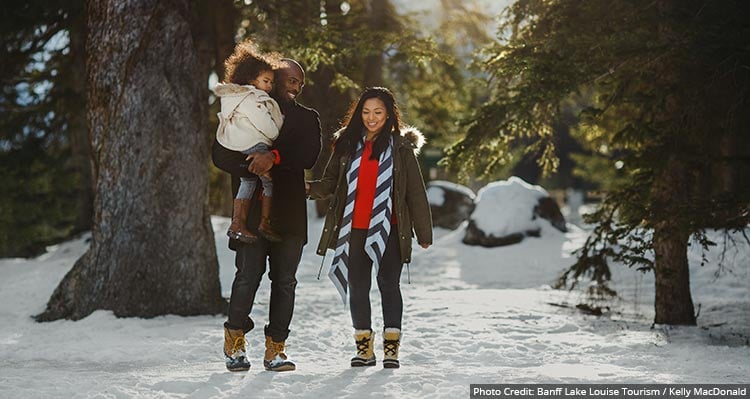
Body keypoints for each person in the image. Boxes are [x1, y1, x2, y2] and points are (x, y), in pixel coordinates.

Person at [306, 87, 432, 369]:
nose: (371, 118)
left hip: (390, 228)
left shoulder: (401, 148)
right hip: (354, 228)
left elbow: (415, 193)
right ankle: (364, 349)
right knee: (358, 287)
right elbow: (330, 183)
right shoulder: (347, 145)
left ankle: (391, 349)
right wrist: (306, 188)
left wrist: (424, 233)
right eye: (365, 112)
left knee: (388, 285)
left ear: (388, 115)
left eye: (377, 112)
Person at [212, 58, 321, 372]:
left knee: (285, 282)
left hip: (290, 215)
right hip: (250, 213)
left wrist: (273, 157)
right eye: (290, 79)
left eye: (300, 82)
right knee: (247, 276)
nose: (295, 86)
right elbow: (219, 153)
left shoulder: (306, 118)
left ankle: (276, 349)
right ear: (274, 77)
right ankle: (234, 343)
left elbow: (309, 153)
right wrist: (251, 164)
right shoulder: (246, 108)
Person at [213, 40, 283, 244]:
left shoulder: (235, 96)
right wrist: (276, 127)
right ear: (252, 79)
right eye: (266, 81)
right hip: (255, 144)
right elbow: (269, 128)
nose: (269, 86)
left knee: (248, 179)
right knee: (269, 180)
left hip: (239, 144)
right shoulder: (253, 98)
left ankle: (238, 224)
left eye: (271, 82)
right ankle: (263, 222)